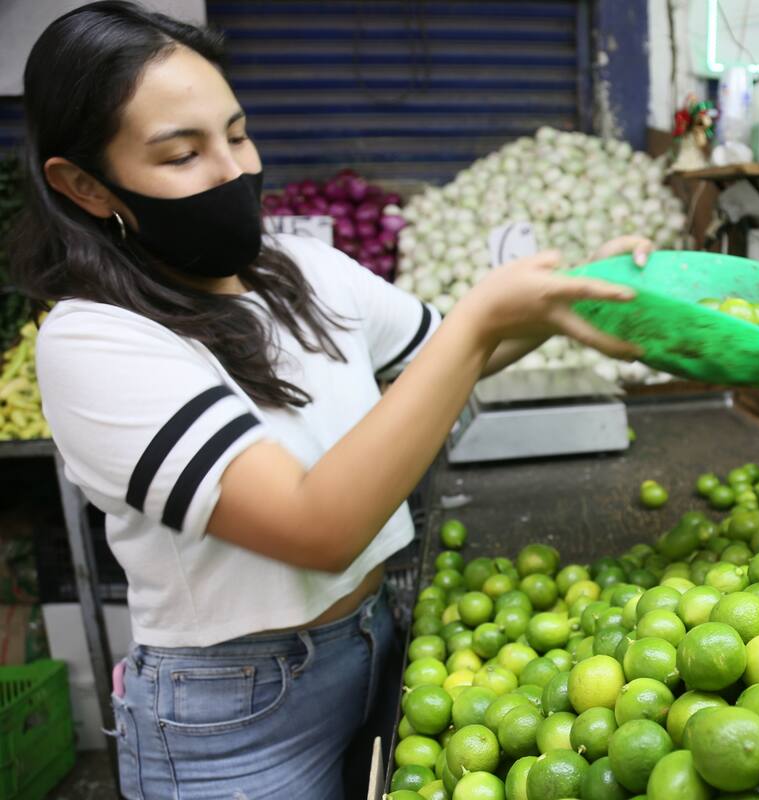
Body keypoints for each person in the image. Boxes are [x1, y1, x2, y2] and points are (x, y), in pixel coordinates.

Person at [9, 3, 649, 798]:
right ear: (84, 185)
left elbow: (446, 357)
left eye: (237, 134)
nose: (234, 169)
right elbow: (319, 528)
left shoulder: (299, 268)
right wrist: (485, 313)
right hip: (233, 718)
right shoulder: (93, 343)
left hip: (375, 644)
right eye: (183, 155)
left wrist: (583, 298)